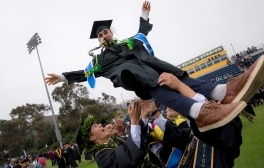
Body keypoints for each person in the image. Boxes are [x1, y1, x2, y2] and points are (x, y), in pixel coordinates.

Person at [44, 1, 264, 132]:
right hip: (137, 78)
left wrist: (144, 14)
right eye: (100, 35)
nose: (103, 35)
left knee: (182, 79)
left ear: (111, 32)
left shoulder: (128, 43)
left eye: (106, 31)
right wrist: (62, 77)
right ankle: (199, 112)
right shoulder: (98, 61)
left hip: (155, 67)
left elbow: (142, 32)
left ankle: (224, 91)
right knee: (159, 88)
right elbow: (84, 74)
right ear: (99, 40)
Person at [139, 74, 243, 168]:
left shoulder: (229, 132)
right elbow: (174, 136)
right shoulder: (191, 132)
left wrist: (182, 87)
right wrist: (154, 113)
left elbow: (211, 118)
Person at [77, 102, 157, 168]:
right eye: (95, 126)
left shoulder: (112, 143)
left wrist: (144, 117)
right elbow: (128, 155)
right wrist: (134, 121)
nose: (100, 124)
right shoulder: (102, 157)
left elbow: (138, 142)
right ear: (92, 137)